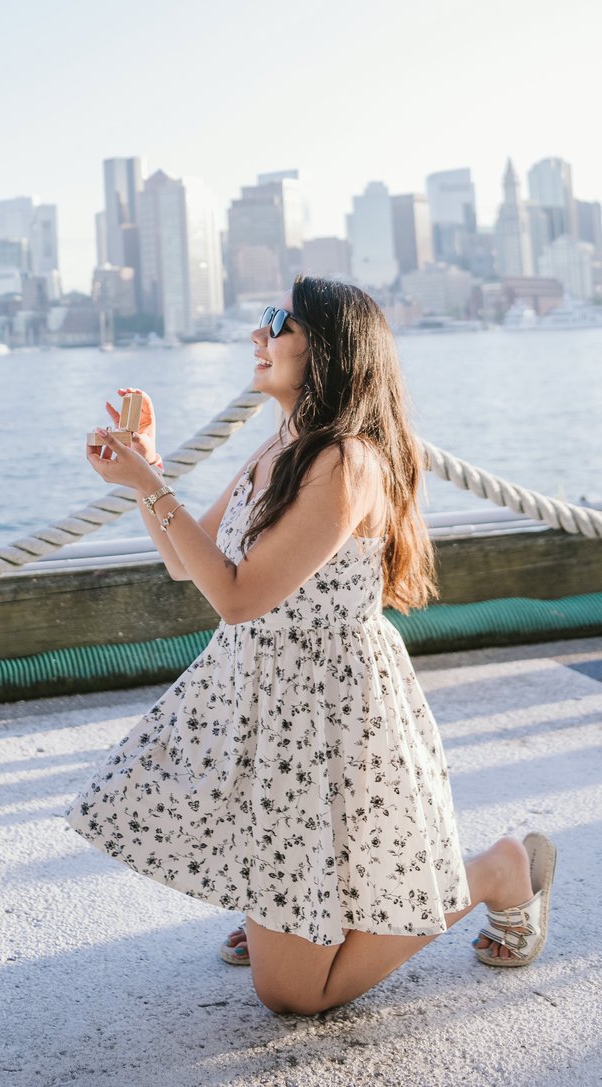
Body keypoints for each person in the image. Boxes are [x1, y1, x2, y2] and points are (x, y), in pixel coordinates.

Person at [69, 277, 556, 1016]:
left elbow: (239, 596)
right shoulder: (280, 445)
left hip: (324, 708)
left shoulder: (347, 461)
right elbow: (184, 561)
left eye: (277, 323)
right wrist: (146, 475)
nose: (256, 335)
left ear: (328, 347)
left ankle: (494, 871)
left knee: (293, 995)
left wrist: (148, 484)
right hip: (264, 694)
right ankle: (287, 915)